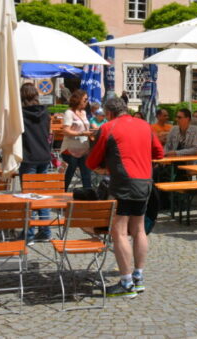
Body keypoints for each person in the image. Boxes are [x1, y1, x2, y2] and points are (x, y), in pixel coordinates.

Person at [87, 96, 164, 298]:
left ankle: (126, 282)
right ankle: (138, 277)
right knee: (138, 229)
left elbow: (91, 161)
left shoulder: (108, 127)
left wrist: (106, 168)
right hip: (145, 182)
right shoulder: (145, 125)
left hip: (123, 183)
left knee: (119, 231)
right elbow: (159, 152)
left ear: (109, 113)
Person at [19, 82, 54, 241]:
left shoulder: (20, 114)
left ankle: (29, 233)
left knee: (29, 196)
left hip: (29, 156)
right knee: (42, 195)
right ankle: (45, 231)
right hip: (44, 156)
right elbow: (48, 133)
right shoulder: (45, 112)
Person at [60, 90, 95, 190]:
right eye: (85, 99)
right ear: (78, 99)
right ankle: (61, 197)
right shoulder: (69, 113)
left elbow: (85, 128)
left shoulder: (84, 112)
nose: (87, 101)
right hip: (70, 151)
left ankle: (88, 200)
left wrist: (91, 133)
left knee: (86, 176)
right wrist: (82, 133)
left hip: (84, 150)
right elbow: (66, 131)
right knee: (69, 175)